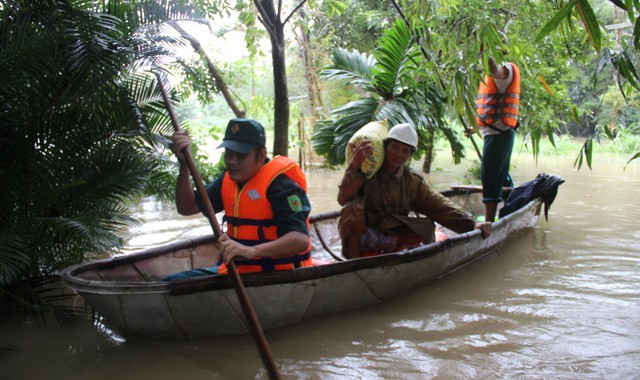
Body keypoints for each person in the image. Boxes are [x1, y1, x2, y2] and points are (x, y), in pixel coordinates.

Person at [165, 118, 312, 280]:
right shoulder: (228, 180)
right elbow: (187, 207)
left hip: (278, 275)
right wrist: (184, 165)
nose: (232, 161)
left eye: (241, 155)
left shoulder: (282, 186)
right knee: (172, 281)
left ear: (261, 155)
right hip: (237, 272)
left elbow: (300, 240)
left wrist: (251, 251)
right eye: (229, 153)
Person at [337, 123, 492, 259]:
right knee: (351, 210)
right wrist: (353, 166)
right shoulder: (366, 170)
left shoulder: (411, 181)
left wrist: (472, 223)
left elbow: (439, 205)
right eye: (394, 147)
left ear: (409, 156)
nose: (398, 154)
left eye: (405, 150)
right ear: (386, 147)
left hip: (392, 234)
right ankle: (355, 262)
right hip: (364, 234)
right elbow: (342, 198)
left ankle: (398, 257)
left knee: (425, 228)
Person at [475, 32, 520, 223]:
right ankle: (511, 208)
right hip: (495, 134)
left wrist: (485, 47)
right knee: (501, 176)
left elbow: (494, 68)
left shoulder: (505, 70)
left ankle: (488, 222)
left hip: (499, 135)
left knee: (491, 178)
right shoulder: (492, 76)